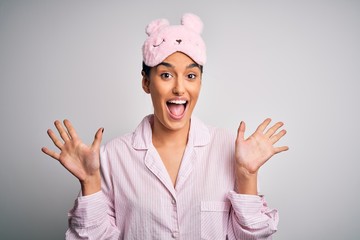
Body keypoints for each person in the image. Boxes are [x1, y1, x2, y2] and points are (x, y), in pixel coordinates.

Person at [42, 13, 288, 240]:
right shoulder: (112, 157)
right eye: (166, 75)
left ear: (200, 83)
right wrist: (90, 182)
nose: (180, 88)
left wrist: (246, 175)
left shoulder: (229, 149)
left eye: (191, 76)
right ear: (146, 82)